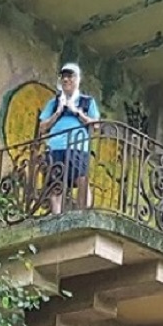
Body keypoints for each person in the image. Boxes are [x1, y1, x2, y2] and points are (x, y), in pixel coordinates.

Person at [38, 62, 101, 214]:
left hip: (77, 146)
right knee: (56, 183)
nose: (66, 80)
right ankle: (56, 217)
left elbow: (96, 125)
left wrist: (76, 111)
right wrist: (58, 112)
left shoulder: (87, 101)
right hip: (55, 147)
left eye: (70, 76)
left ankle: (82, 215)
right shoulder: (53, 102)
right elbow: (42, 127)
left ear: (77, 79)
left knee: (81, 179)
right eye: (63, 77)